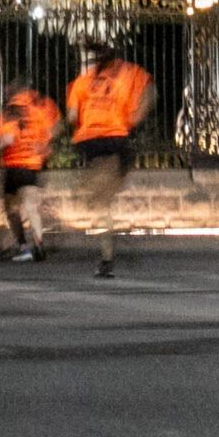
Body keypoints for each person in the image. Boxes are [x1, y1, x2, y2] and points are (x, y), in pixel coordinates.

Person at [66, 43, 154, 279]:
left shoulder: (82, 81)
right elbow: (149, 89)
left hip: (91, 142)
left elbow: (72, 116)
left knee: (99, 200)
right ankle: (106, 257)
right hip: (115, 140)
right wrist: (135, 117)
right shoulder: (126, 74)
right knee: (102, 201)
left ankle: (106, 256)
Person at [0, 84, 61, 261]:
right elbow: (50, 133)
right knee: (32, 207)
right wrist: (44, 149)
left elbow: (0, 142)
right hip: (31, 167)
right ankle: (38, 242)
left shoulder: (5, 119)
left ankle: (23, 245)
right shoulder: (38, 116)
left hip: (13, 167)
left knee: (11, 210)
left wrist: (2, 141)